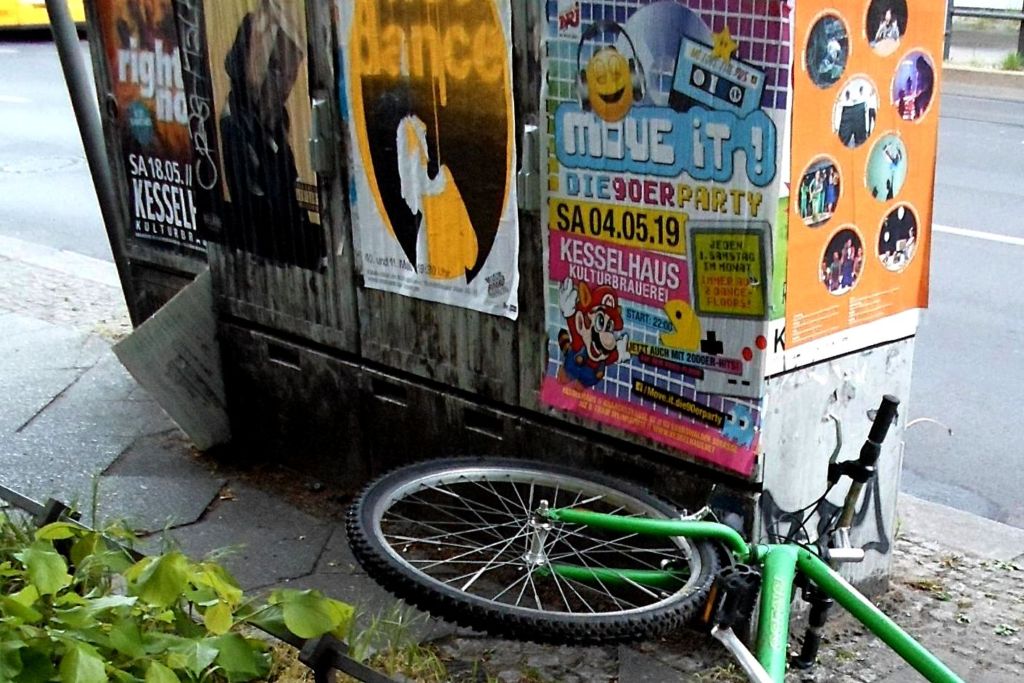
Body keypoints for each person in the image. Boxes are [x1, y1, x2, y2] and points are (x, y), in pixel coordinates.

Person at [219, 0, 325, 270]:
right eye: (278, 70)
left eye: (290, 75)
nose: (286, 86)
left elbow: (290, 193)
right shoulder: (238, 126)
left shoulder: (273, 125)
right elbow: (264, 211)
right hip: (272, 253)